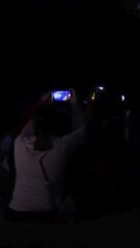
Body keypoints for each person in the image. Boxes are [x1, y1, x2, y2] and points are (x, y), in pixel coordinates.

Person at [6, 91, 86, 223]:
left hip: (15, 213)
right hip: (46, 215)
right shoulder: (62, 146)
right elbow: (82, 130)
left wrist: (41, 104)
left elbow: (25, 126)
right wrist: (75, 104)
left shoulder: (19, 142)